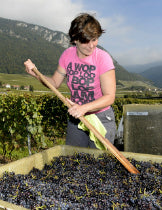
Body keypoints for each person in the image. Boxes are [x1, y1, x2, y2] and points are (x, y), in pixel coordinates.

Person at [24, 13, 116, 148]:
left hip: (100, 118)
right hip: (77, 117)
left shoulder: (103, 58)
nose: (91, 46)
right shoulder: (67, 55)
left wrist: (84, 108)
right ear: (75, 39)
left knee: (98, 163)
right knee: (74, 161)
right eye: (86, 41)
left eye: (95, 39)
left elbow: (109, 97)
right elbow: (55, 83)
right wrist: (37, 75)